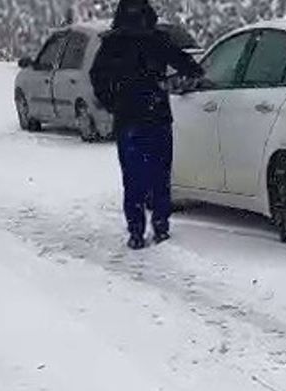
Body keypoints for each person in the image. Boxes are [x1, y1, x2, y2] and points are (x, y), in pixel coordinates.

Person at [89, 0, 204, 249]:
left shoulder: (112, 43)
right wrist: (180, 80)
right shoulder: (157, 40)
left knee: (133, 180)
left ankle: (136, 232)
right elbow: (188, 65)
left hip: (128, 119)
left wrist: (112, 102)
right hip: (157, 116)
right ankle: (160, 227)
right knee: (159, 176)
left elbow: (97, 76)